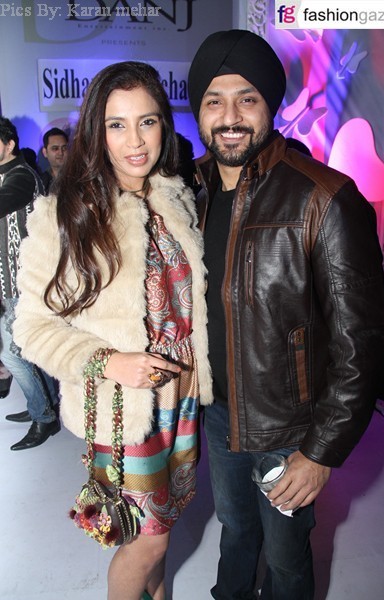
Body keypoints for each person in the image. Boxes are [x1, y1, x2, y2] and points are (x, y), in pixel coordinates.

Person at [187, 29, 384, 600]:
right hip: (220, 414)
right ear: (198, 110)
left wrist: (320, 452)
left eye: (246, 99)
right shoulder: (189, 193)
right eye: (214, 100)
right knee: (234, 529)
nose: (230, 117)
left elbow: (362, 343)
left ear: (271, 105)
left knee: (286, 558)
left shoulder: (323, 197)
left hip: (289, 429)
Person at [13, 61, 212, 600]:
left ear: (164, 124)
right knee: (144, 542)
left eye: (147, 122)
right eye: (117, 125)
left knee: (163, 530)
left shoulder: (175, 196)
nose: (135, 141)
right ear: (95, 132)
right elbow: (31, 326)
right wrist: (107, 361)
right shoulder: (66, 213)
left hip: (181, 395)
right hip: (123, 404)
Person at [0, 116, 60, 450]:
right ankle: (44, 403)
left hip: (23, 283)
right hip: (9, 282)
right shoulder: (7, 174)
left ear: (9, 144)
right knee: (28, 350)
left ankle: (44, 416)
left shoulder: (21, 176)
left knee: (11, 354)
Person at [40, 127, 69, 194]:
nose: (61, 153)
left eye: (64, 148)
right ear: (45, 152)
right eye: (55, 148)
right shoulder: (41, 183)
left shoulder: (79, 178)